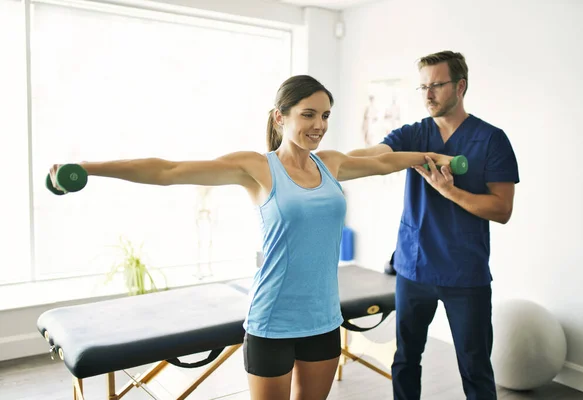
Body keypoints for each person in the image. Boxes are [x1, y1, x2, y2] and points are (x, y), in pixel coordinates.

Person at [49, 75, 455, 400]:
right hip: (272, 322)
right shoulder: (256, 168)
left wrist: (430, 158)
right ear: (280, 117)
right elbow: (168, 170)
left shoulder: (331, 164)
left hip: (323, 319)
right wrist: (88, 167)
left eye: (326, 115)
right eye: (308, 114)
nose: (319, 126)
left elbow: (384, 162)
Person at [347, 51, 520, 400]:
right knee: (406, 360)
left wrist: (451, 192)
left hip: (465, 275)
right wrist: (326, 161)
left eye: (437, 85)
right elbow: (376, 156)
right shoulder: (415, 134)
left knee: (475, 368)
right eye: (423, 87)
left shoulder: (491, 140)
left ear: (460, 86)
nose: (428, 95)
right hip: (413, 269)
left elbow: (502, 209)